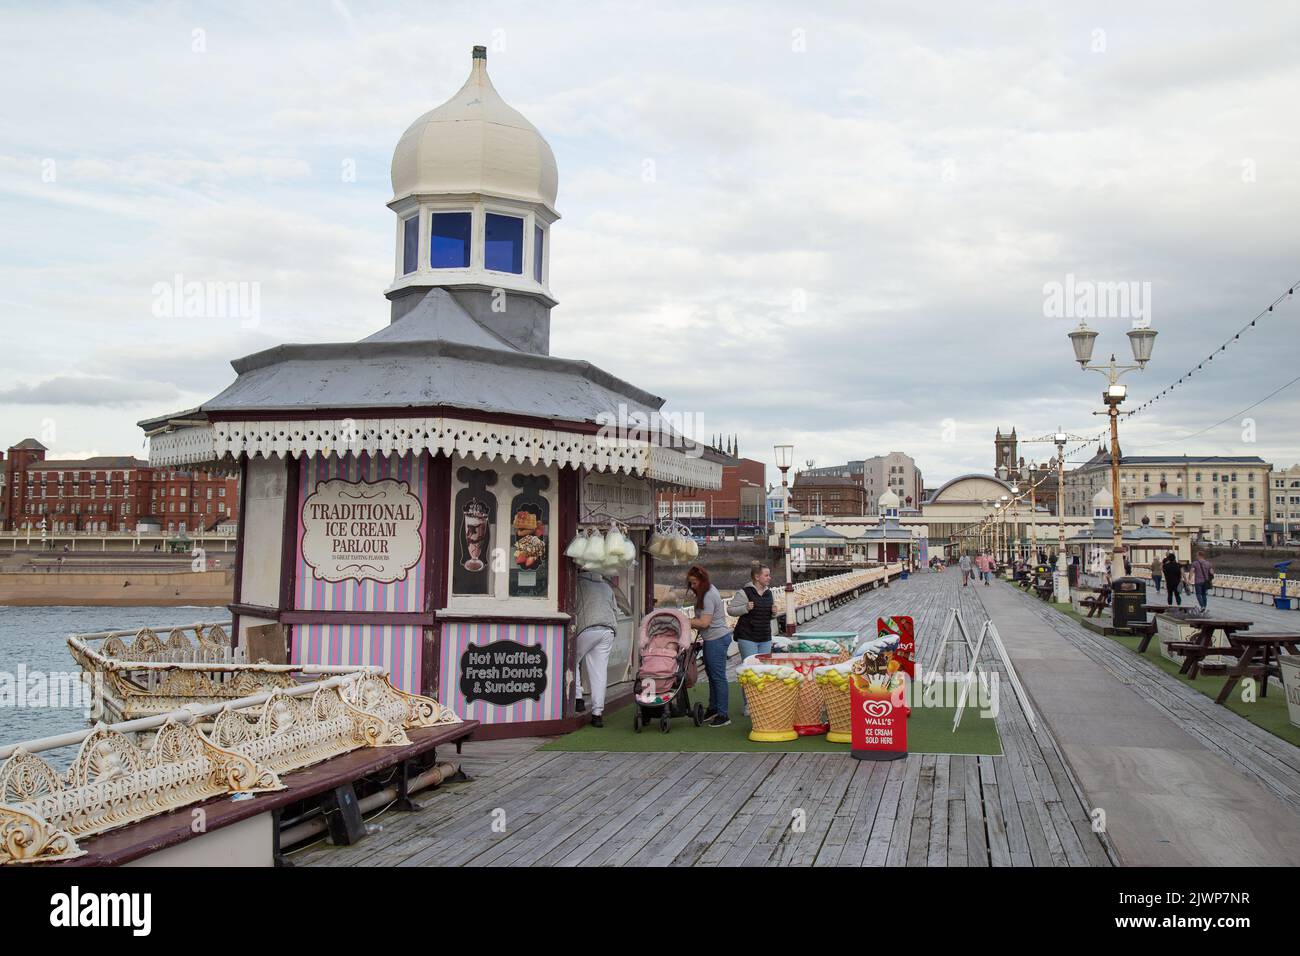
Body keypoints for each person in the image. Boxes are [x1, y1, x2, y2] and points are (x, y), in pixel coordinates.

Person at [573, 568, 631, 727]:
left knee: (572, 661)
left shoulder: (577, 583)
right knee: (599, 672)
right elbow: (615, 609)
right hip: (607, 630)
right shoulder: (606, 586)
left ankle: (577, 700)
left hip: (586, 628)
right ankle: (597, 714)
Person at [687, 565, 733, 727]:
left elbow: (704, 622)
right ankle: (714, 708)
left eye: (694, 583)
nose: (692, 586)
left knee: (718, 677)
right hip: (712, 639)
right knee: (712, 676)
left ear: (701, 581)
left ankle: (723, 713)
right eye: (690, 583)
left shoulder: (708, 596)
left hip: (717, 639)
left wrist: (685, 621)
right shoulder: (707, 591)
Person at [729, 562, 775, 718]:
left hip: (765, 637)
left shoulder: (769, 593)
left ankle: (761, 702)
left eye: (769, 575)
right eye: (766, 575)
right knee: (750, 670)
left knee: (763, 671)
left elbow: (768, 614)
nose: (769, 578)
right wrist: (745, 608)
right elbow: (730, 610)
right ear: (757, 577)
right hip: (747, 636)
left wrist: (774, 612)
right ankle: (749, 704)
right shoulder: (744, 593)